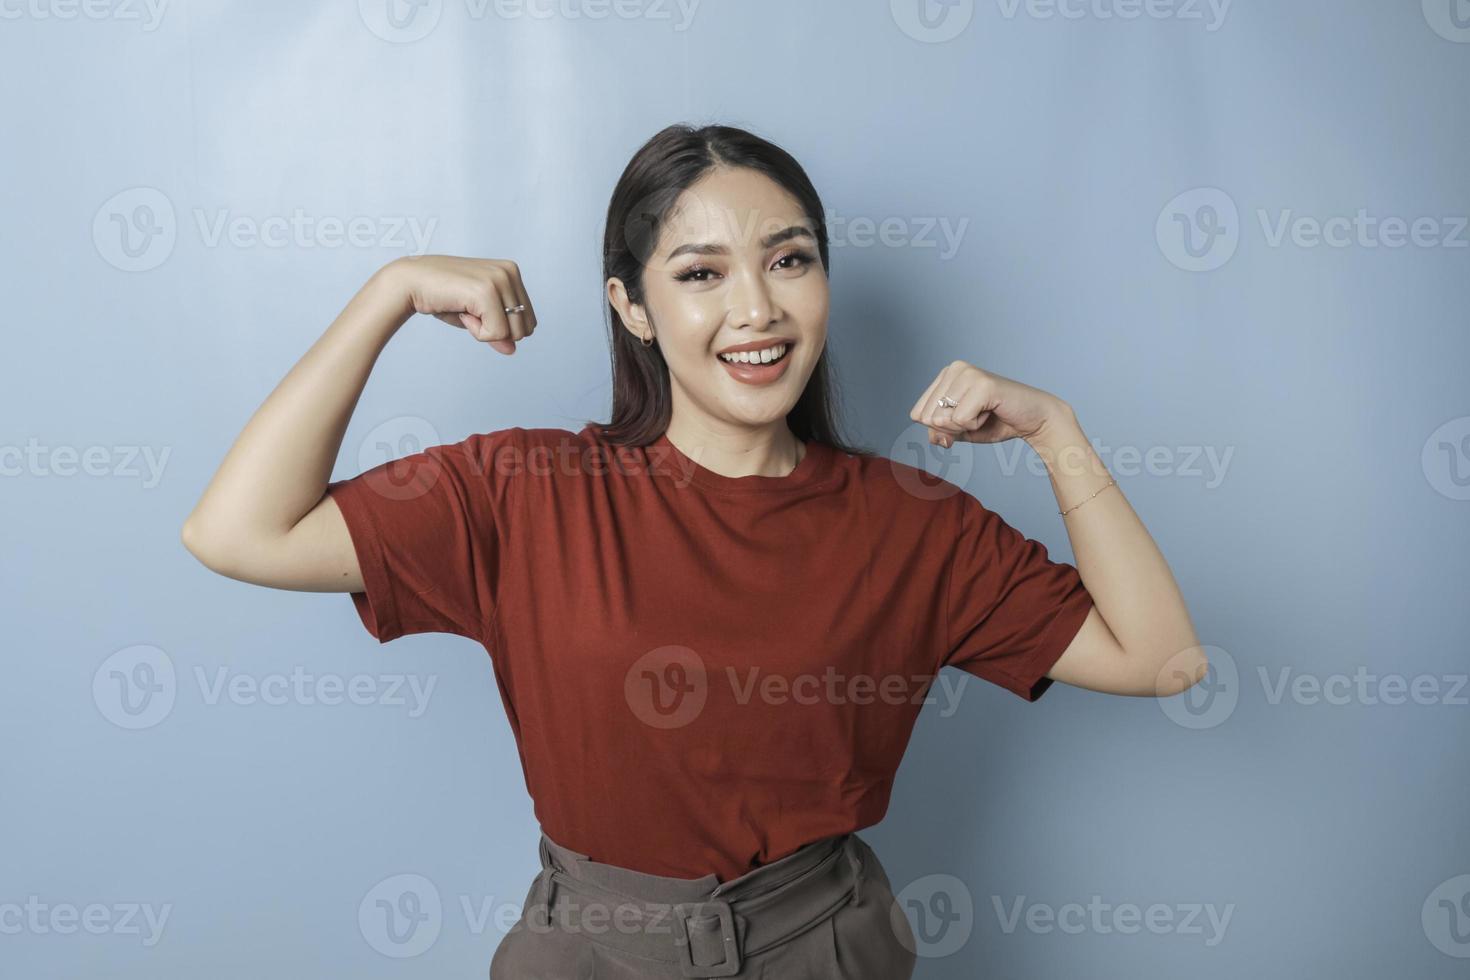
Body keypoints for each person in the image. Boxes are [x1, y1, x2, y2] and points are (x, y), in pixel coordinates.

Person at [181, 123, 1206, 978]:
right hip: (588, 946)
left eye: (789, 260)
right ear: (632, 305)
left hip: (827, 943)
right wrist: (389, 292)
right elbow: (237, 530)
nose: (756, 308)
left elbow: (1161, 658)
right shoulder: (521, 490)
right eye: (701, 271)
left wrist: (1057, 433)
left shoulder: (914, 522)